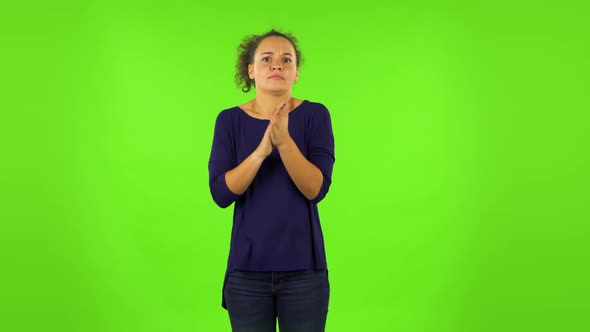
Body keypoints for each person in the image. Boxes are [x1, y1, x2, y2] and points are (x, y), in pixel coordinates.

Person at [208, 29, 335, 332]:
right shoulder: (229, 121)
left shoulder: (316, 116)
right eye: (267, 59)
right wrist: (261, 152)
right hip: (246, 274)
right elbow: (222, 194)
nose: (276, 65)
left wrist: (285, 143)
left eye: (286, 59)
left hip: (305, 272)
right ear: (251, 70)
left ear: (295, 73)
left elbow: (316, 189)